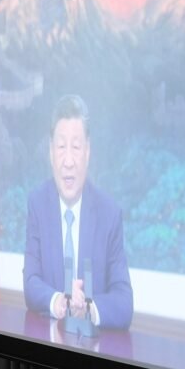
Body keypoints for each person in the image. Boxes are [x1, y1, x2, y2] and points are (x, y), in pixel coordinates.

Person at [23, 94, 133, 330]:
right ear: (51, 152)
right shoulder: (37, 204)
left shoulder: (109, 214)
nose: (68, 161)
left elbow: (124, 302)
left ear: (88, 152)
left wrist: (88, 309)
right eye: (61, 147)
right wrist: (58, 300)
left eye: (76, 147)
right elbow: (31, 281)